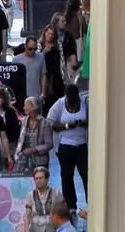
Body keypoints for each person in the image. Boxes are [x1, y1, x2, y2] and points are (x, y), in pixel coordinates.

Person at [46, 85, 88, 213]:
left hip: (82, 145)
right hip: (65, 145)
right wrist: (67, 126)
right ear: (66, 96)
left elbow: (94, 120)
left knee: (86, 174)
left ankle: (91, 203)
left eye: (74, 99)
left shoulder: (85, 103)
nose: (72, 101)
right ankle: (71, 205)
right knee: (67, 176)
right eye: (69, 99)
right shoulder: (59, 104)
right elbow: (50, 123)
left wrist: (83, 123)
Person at [24, 166, 64, 232]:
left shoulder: (56, 193)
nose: (38, 181)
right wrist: (26, 229)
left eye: (41, 178)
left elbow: (63, 214)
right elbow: (27, 215)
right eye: (36, 179)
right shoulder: (30, 195)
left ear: (47, 179)